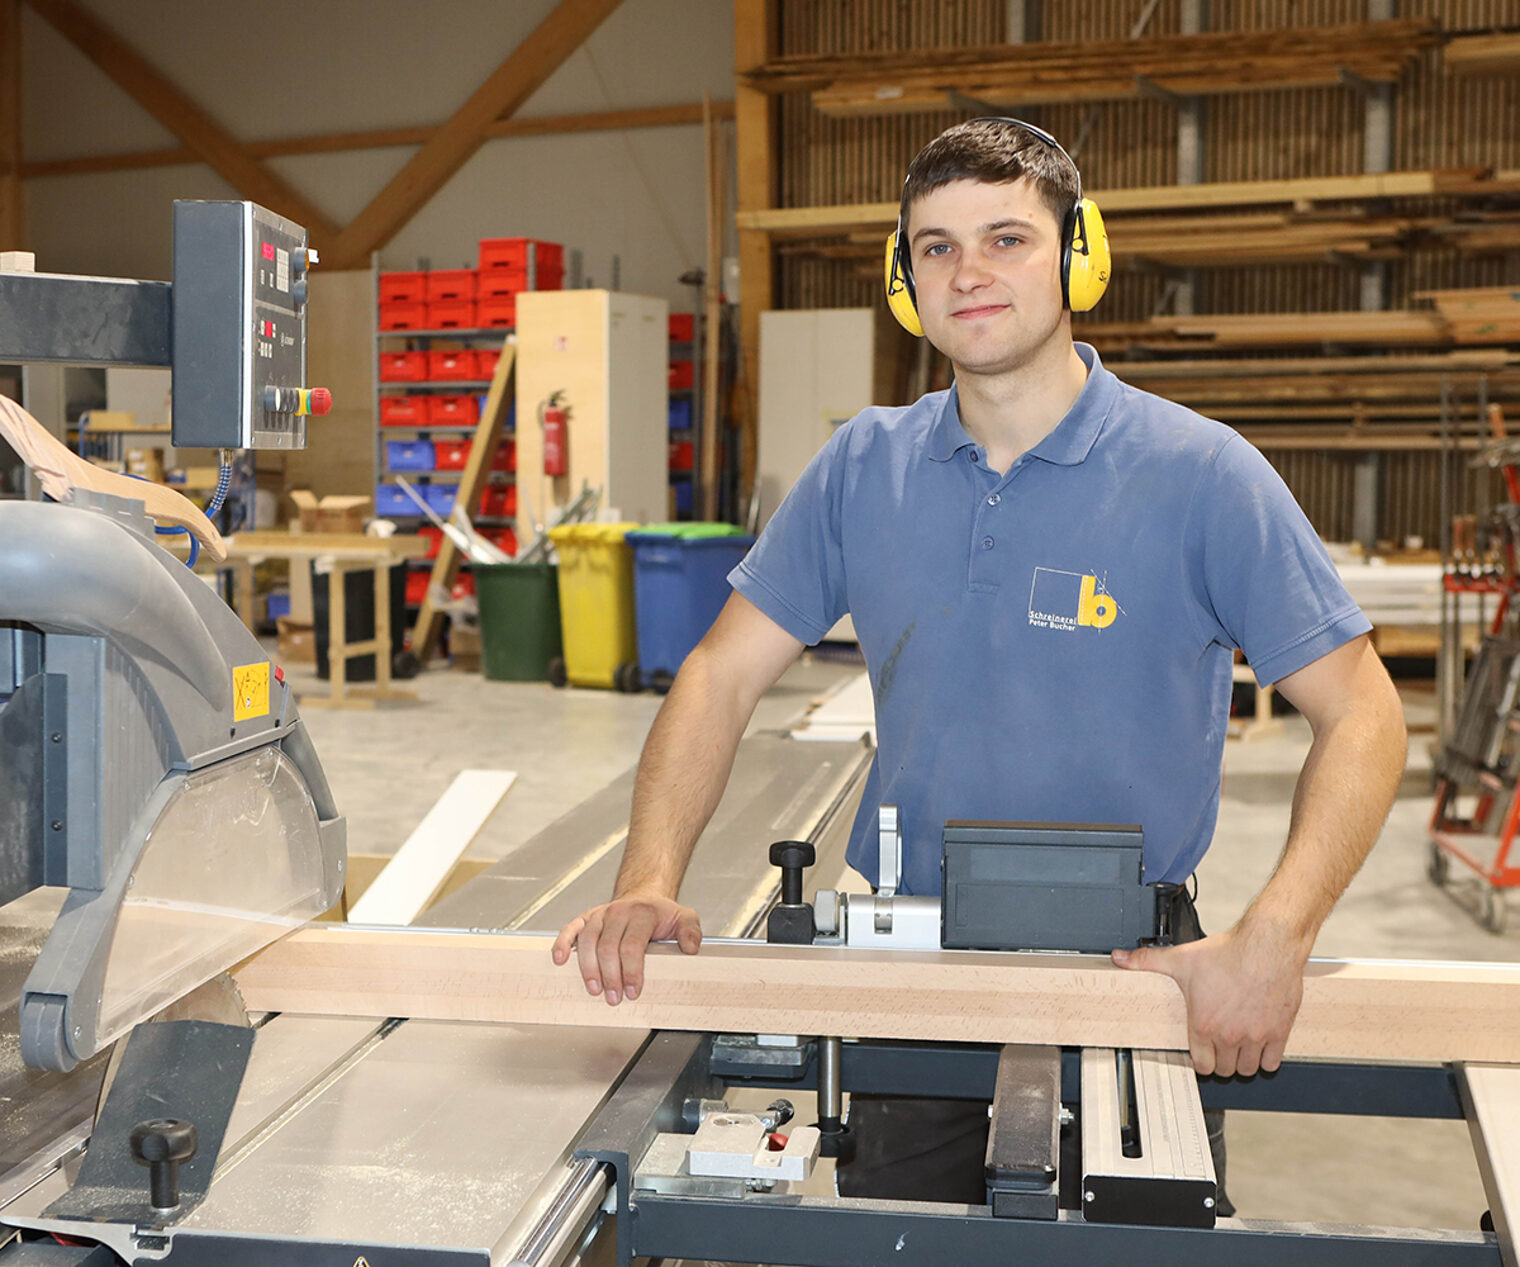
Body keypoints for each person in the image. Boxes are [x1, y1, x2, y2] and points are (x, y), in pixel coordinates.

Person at [552, 117, 1408, 1206]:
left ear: (1076, 257)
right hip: (915, 964)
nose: (968, 273)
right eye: (936, 247)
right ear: (904, 279)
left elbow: (1362, 714)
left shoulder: (1201, 475)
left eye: (1005, 238)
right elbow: (718, 675)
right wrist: (646, 883)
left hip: (1134, 970)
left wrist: (1272, 939)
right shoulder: (862, 466)